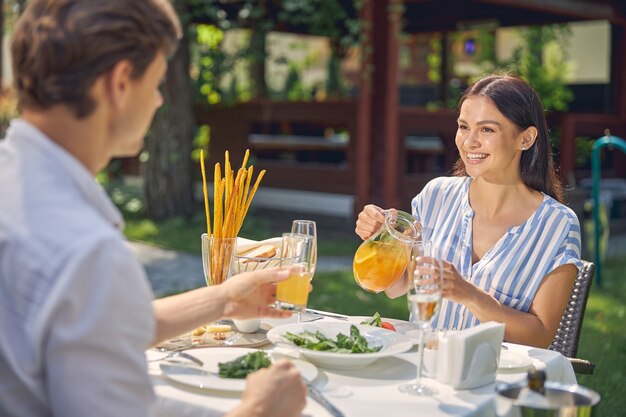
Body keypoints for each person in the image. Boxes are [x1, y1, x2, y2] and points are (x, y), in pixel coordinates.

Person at [0, 1, 306, 416]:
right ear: (121, 82)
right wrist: (258, 410)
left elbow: (97, 327)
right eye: (158, 82)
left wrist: (224, 299)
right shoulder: (85, 251)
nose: (161, 100)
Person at [356, 73, 582, 348]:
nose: (469, 142)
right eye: (464, 127)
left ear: (526, 138)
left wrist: (470, 295)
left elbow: (541, 336)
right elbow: (397, 286)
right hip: (426, 366)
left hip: (498, 377)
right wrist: (383, 239)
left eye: (486, 130)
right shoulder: (436, 196)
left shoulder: (557, 225)